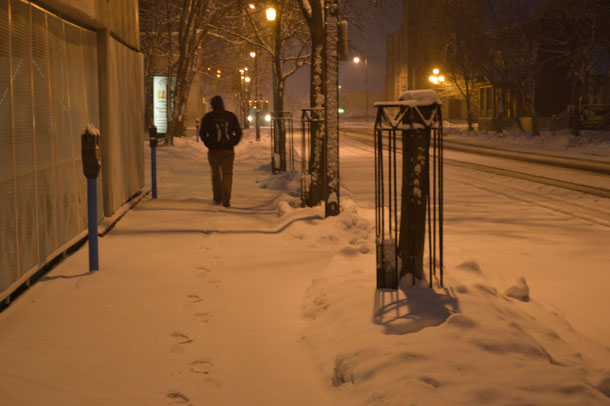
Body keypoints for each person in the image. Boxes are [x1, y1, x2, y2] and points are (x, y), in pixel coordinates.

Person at [199, 95, 242, 207]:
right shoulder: (230, 116)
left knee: (215, 173)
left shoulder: (208, 117)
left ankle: (217, 197)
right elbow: (238, 132)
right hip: (228, 151)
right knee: (227, 173)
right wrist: (232, 142)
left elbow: (202, 133)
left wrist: (209, 143)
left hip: (214, 151)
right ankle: (226, 198)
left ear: (212, 105)